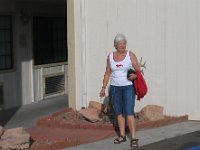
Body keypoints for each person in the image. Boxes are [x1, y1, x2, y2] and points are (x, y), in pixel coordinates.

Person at [99, 33, 140, 148]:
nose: (122, 45)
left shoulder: (130, 55)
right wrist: (103, 88)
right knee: (119, 113)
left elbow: (138, 70)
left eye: (124, 43)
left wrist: (135, 76)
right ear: (115, 45)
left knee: (129, 112)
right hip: (115, 88)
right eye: (120, 43)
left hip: (127, 88)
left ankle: (133, 138)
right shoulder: (110, 56)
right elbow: (107, 73)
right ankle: (122, 135)